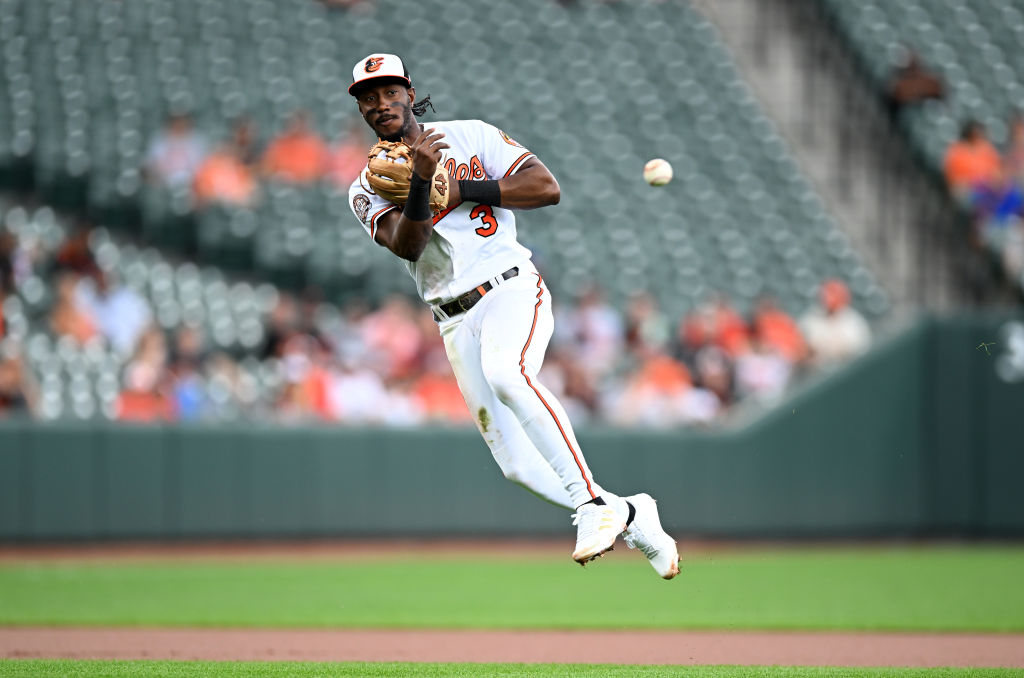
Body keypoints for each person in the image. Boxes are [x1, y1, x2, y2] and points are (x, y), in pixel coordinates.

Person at [345, 53, 678, 578]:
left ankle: (592, 506)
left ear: (410, 93)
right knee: (518, 466)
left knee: (508, 374)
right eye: (369, 97)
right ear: (362, 109)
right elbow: (408, 246)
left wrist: (461, 188)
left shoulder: (470, 136)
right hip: (452, 318)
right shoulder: (364, 187)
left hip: (508, 287)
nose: (381, 103)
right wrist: (421, 184)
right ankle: (632, 514)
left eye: (390, 91)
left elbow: (546, 187)